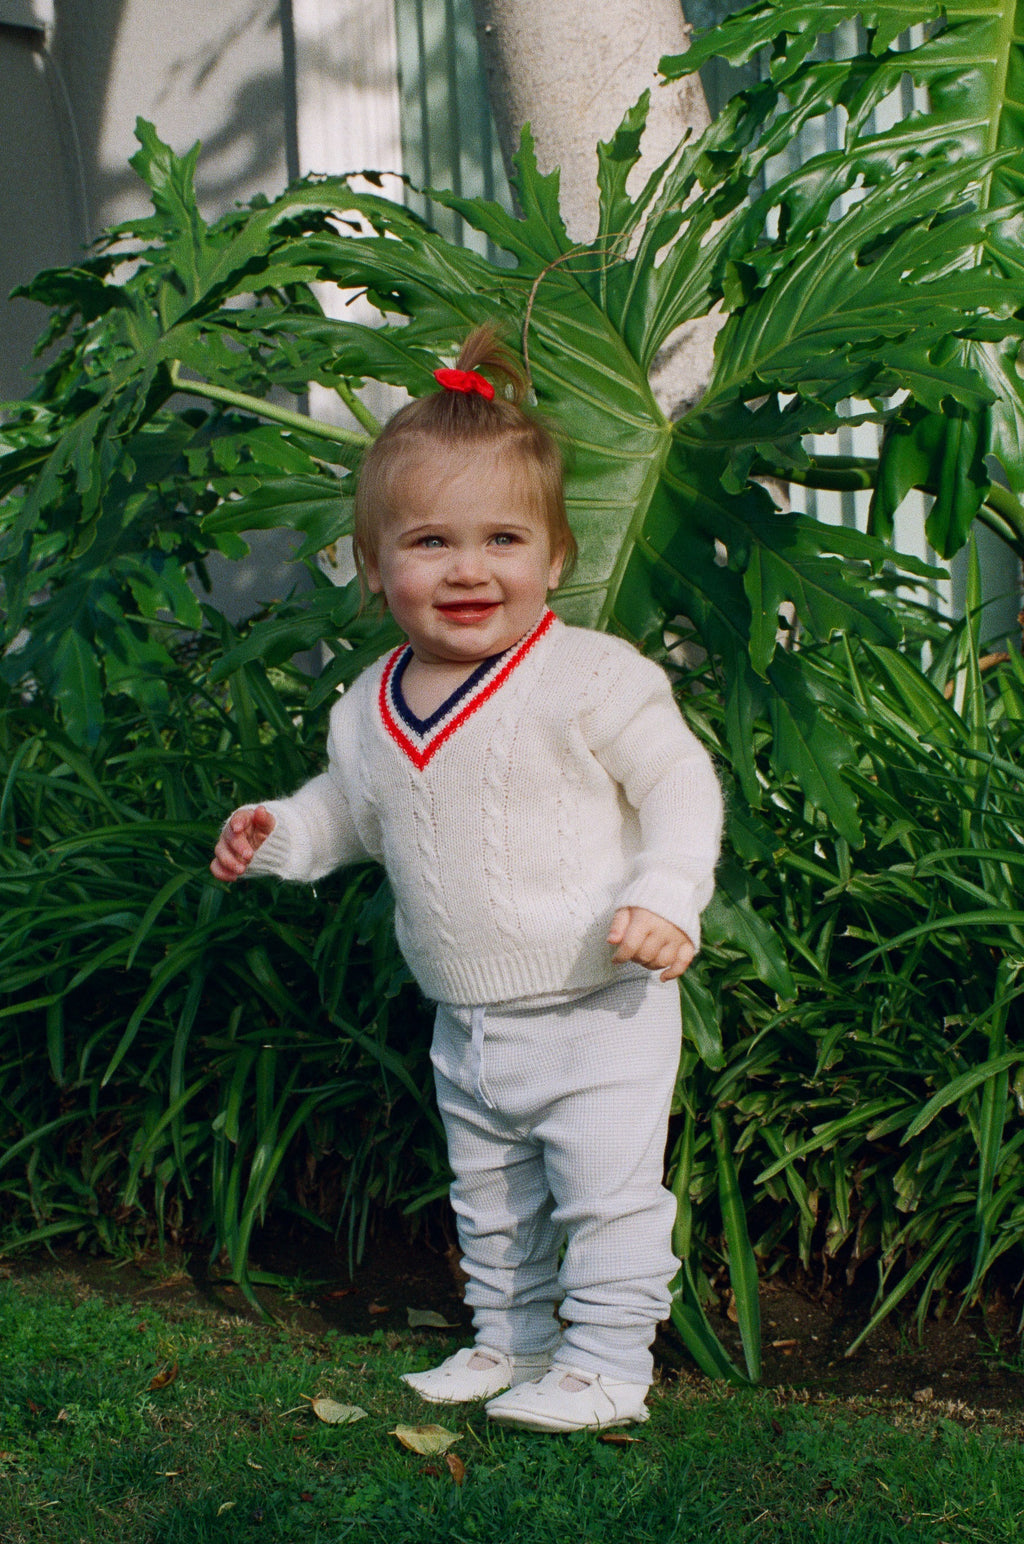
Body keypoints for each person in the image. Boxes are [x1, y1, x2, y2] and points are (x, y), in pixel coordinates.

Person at [210, 327, 723, 1432]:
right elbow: (351, 808)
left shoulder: (587, 676)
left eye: (502, 538)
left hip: (600, 999)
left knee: (605, 1193)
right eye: (430, 541)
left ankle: (605, 1363)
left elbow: (681, 784)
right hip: (469, 1016)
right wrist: (280, 833)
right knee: (490, 1198)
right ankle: (511, 1335)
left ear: (554, 554)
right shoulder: (369, 703)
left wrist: (669, 890)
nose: (467, 567)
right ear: (375, 557)